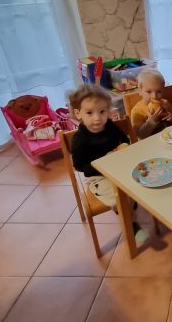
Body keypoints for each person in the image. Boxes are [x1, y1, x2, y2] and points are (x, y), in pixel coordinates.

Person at [68, 84, 148, 242]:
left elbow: (124, 140)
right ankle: (130, 223)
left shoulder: (110, 126)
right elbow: (79, 166)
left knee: (140, 181)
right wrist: (102, 163)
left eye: (102, 111)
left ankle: (129, 206)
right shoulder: (79, 139)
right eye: (89, 113)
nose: (97, 118)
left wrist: (122, 146)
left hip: (118, 168)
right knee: (118, 196)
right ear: (78, 113)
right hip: (97, 177)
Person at [130, 69, 172, 139]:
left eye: (159, 92)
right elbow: (140, 136)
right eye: (149, 92)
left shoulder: (164, 103)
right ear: (140, 91)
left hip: (170, 138)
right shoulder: (137, 111)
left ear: (163, 90)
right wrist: (151, 121)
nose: (154, 96)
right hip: (151, 142)